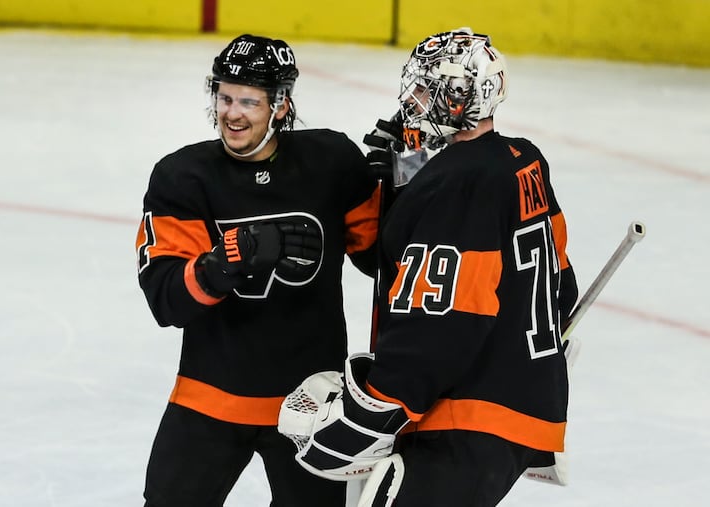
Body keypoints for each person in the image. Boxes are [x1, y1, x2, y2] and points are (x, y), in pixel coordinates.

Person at [278, 28, 578, 506]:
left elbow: (444, 319)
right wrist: (406, 183)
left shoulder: (459, 182)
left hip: (468, 418)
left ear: (459, 99)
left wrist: (382, 404)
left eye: (424, 88)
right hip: (523, 403)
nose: (410, 100)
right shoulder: (522, 160)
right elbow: (561, 288)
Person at [134, 33, 380, 507]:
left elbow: (381, 259)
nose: (232, 113)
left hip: (311, 404)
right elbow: (166, 300)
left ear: (281, 105)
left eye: (249, 100)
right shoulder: (183, 178)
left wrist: (407, 182)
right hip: (210, 396)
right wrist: (219, 266)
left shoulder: (332, 164)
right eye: (224, 97)